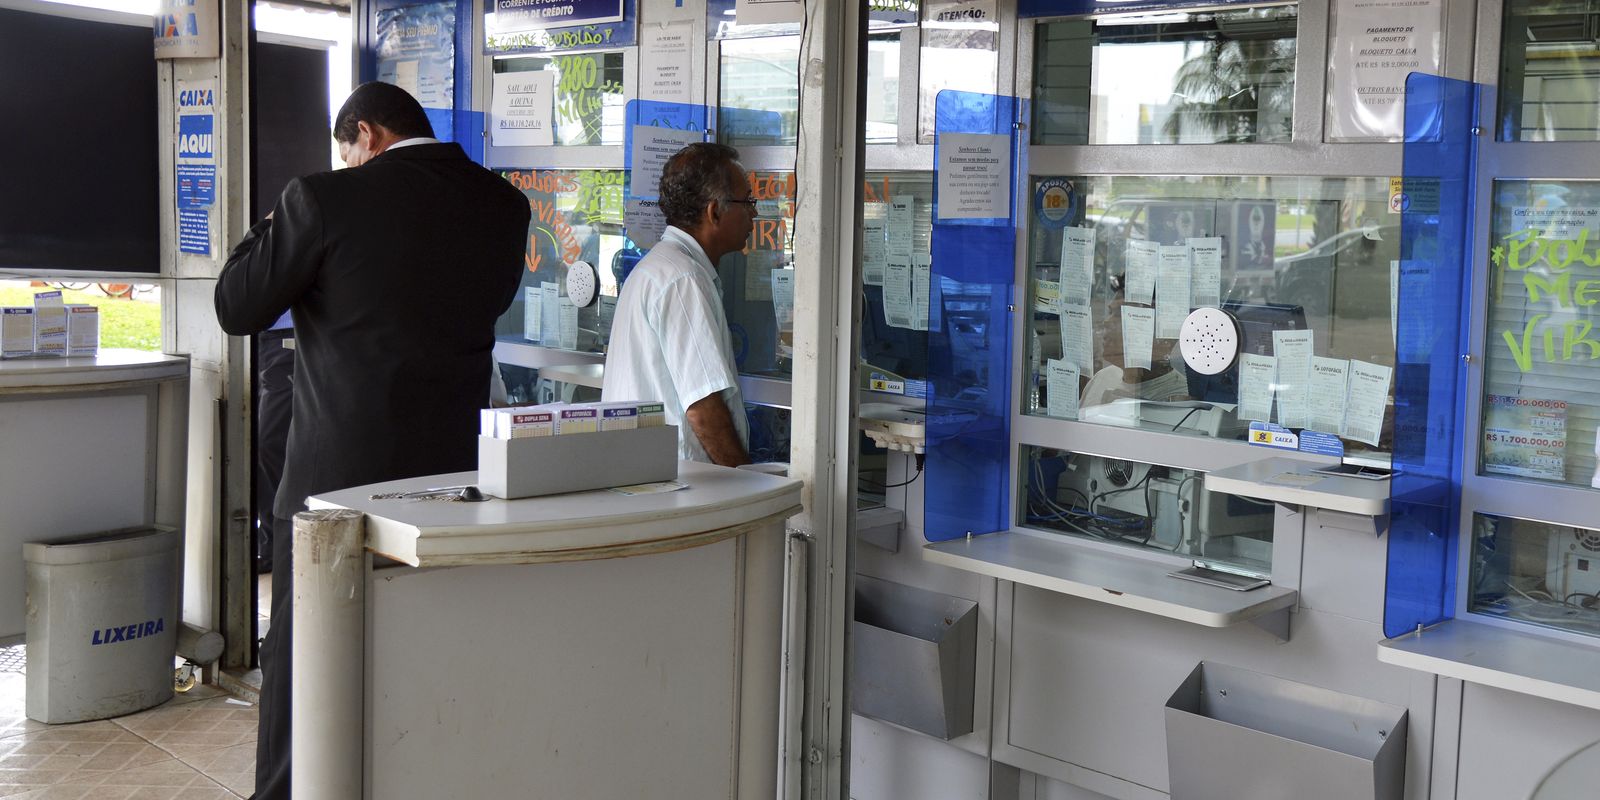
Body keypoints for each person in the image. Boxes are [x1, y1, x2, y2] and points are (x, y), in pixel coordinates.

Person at [214, 81, 531, 800]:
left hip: (336, 487)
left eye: (347, 152)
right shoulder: (504, 205)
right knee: (423, 649)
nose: (348, 165)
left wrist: (271, 226)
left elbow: (237, 305)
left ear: (367, 134)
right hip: (450, 483)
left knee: (307, 656)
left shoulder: (321, 200)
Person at [602, 142, 754, 466]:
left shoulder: (661, 267)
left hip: (648, 474)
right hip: (681, 481)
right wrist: (745, 480)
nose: (754, 212)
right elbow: (703, 408)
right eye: (747, 201)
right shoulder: (683, 278)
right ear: (714, 212)